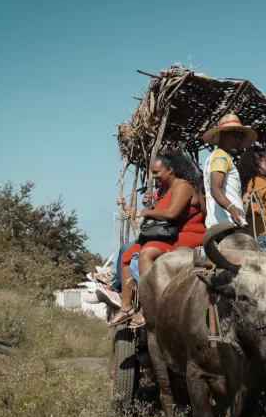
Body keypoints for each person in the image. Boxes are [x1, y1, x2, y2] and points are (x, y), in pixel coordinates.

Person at [108, 151, 206, 327]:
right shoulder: (165, 190)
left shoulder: (183, 186)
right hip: (173, 233)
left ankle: (149, 306)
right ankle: (126, 307)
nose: (153, 177)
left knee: (146, 253)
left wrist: (146, 212)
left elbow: (172, 213)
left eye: (156, 172)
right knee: (126, 256)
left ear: (170, 170)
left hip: (190, 233)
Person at [201, 113, 257, 228]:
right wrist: (232, 208)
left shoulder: (213, 157)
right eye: (234, 136)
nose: (238, 141)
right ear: (222, 135)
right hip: (229, 223)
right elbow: (215, 189)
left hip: (220, 223)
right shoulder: (221, 156)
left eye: (240, 137)